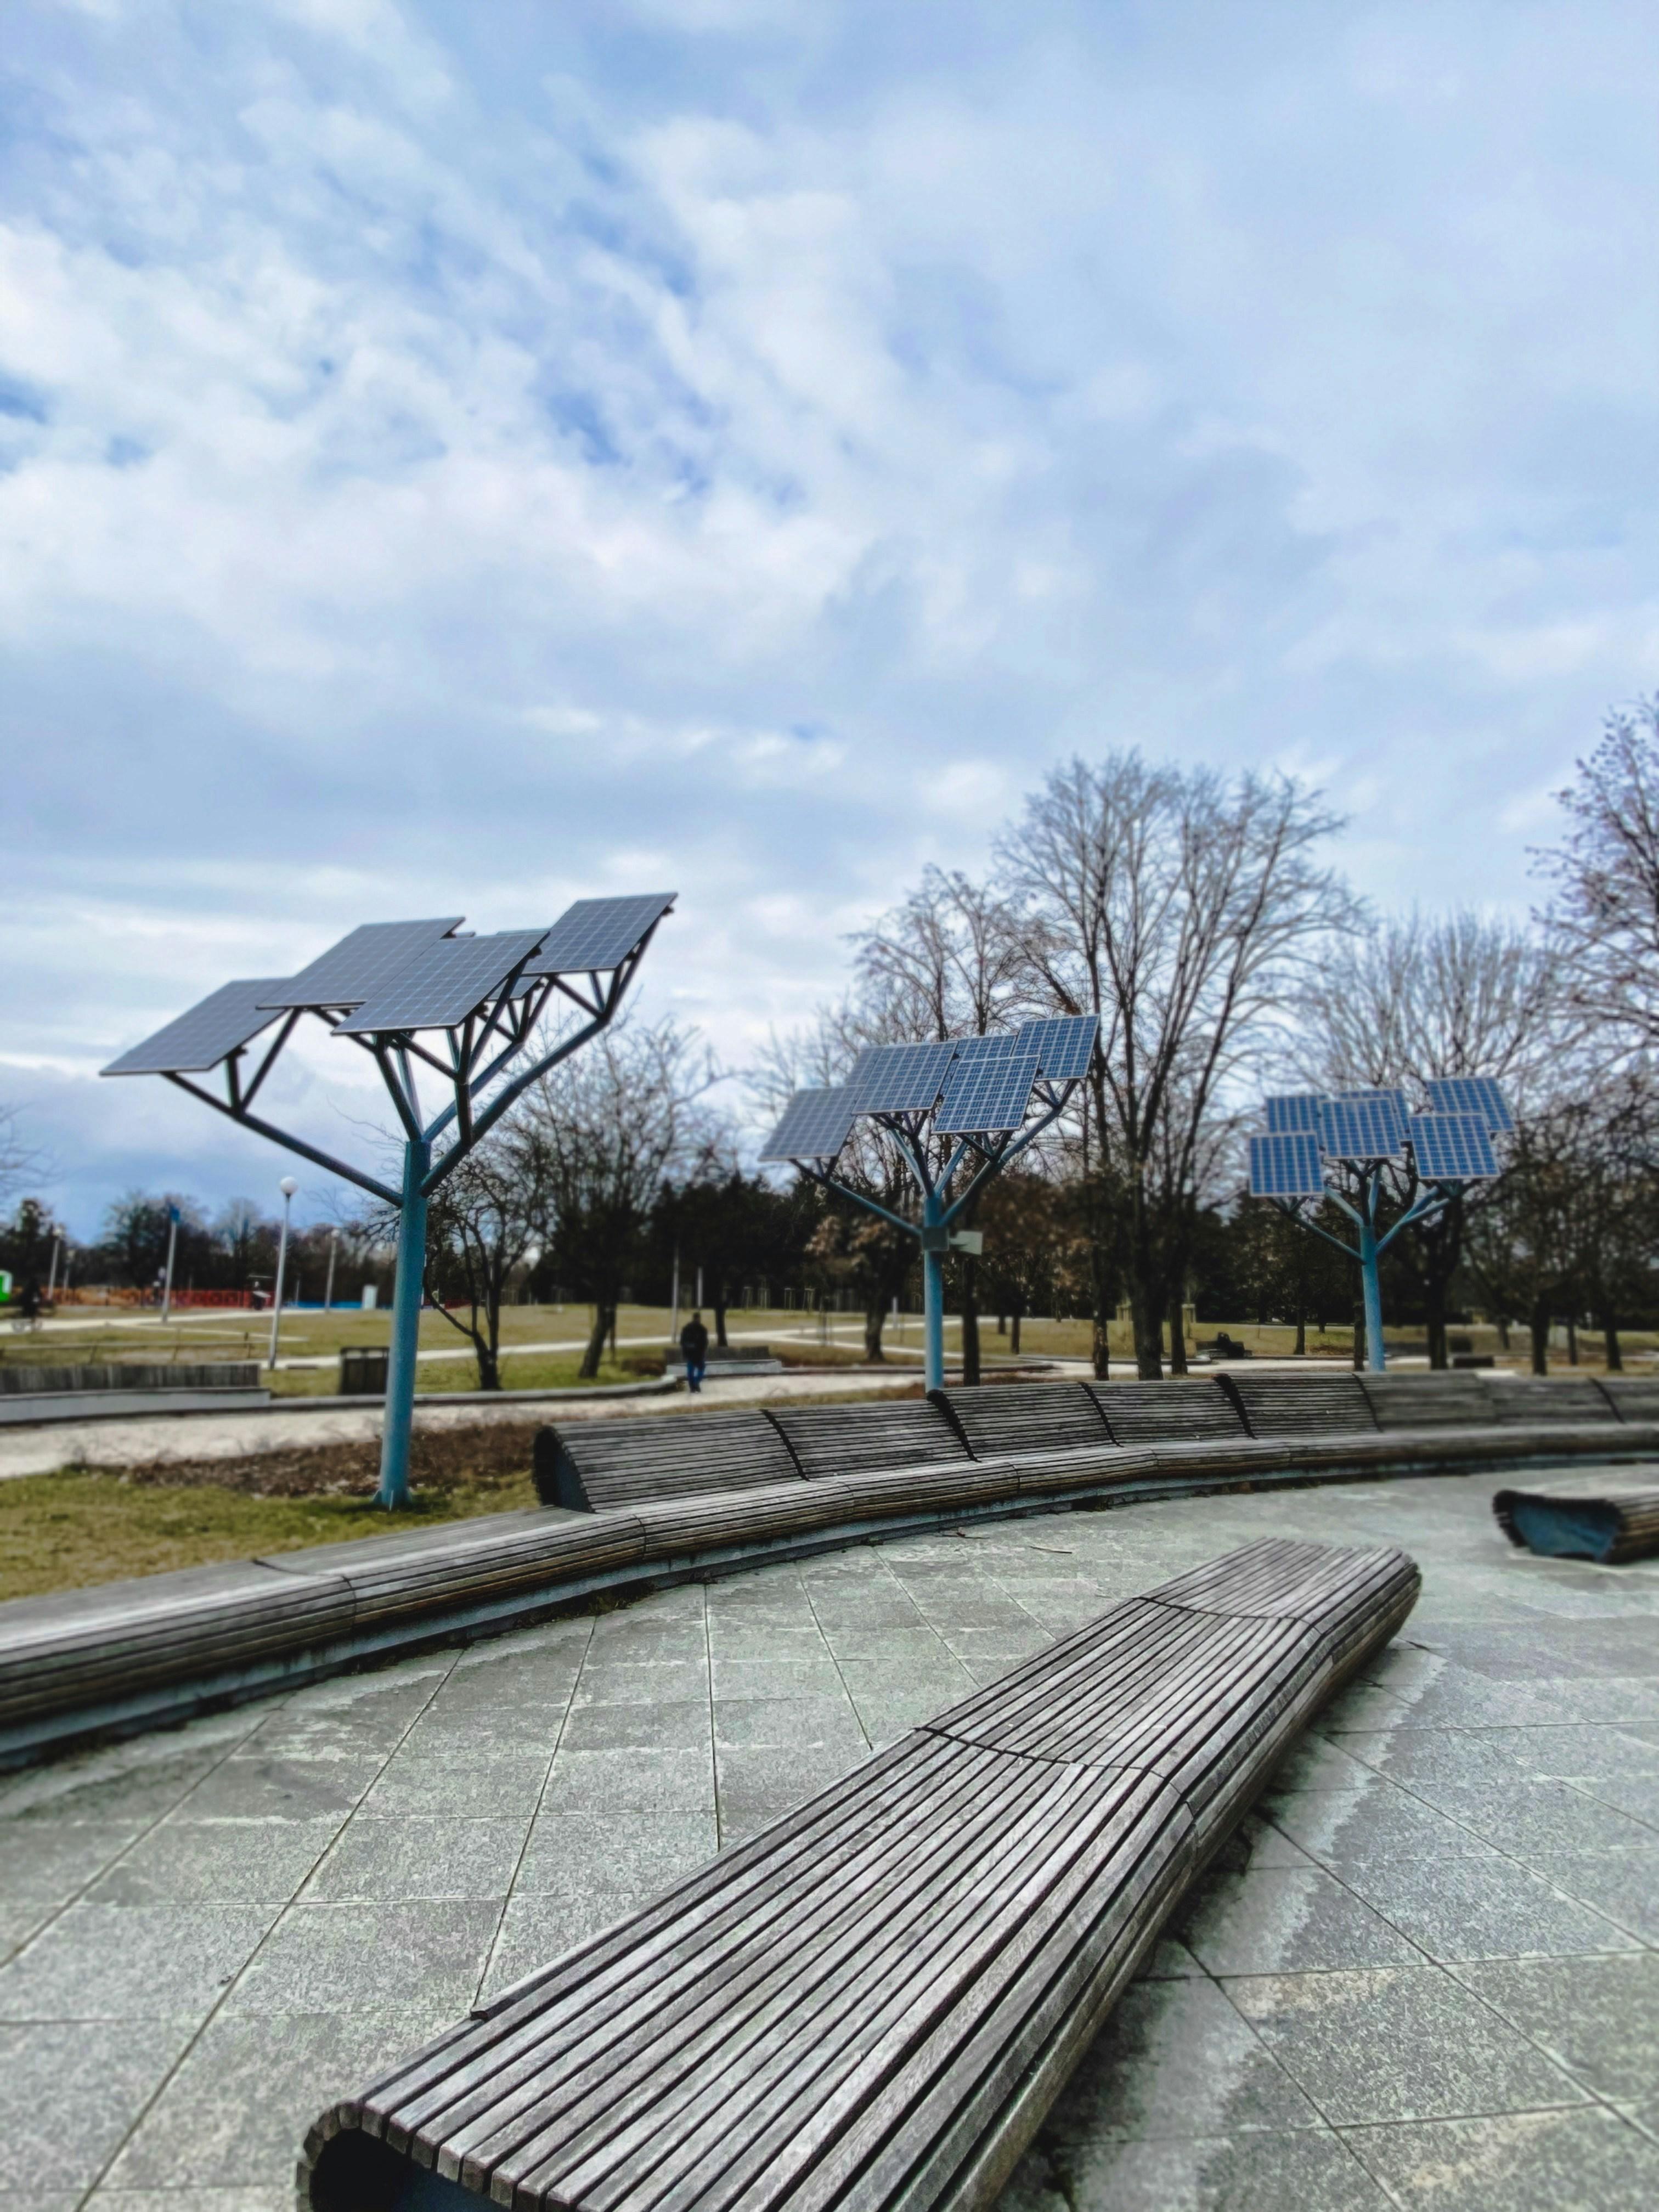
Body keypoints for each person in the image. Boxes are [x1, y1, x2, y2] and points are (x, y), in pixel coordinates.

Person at [679, 1308, 709, 1394]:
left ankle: (693, 1387)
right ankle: (696, 1383)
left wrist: (686, 1350)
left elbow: (682, 1342)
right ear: (699, 1318)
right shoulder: (702, 1329)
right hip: (699, 1354)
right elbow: (705, 1342)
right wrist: (702, 1350)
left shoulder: (687, 1328)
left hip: (690, 1354)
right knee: (701, 1369)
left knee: (690, 1371)